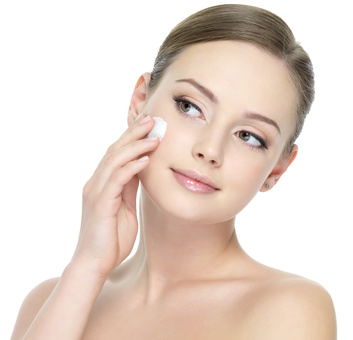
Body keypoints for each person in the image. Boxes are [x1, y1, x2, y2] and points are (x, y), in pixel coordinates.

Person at [11, 4, 336, 339]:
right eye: (190, 106)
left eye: (249, 136)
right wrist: (87, 267)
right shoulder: (49, 303)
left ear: (278, 168)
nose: (210, 150)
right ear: (140, 101)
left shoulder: (289, 310)